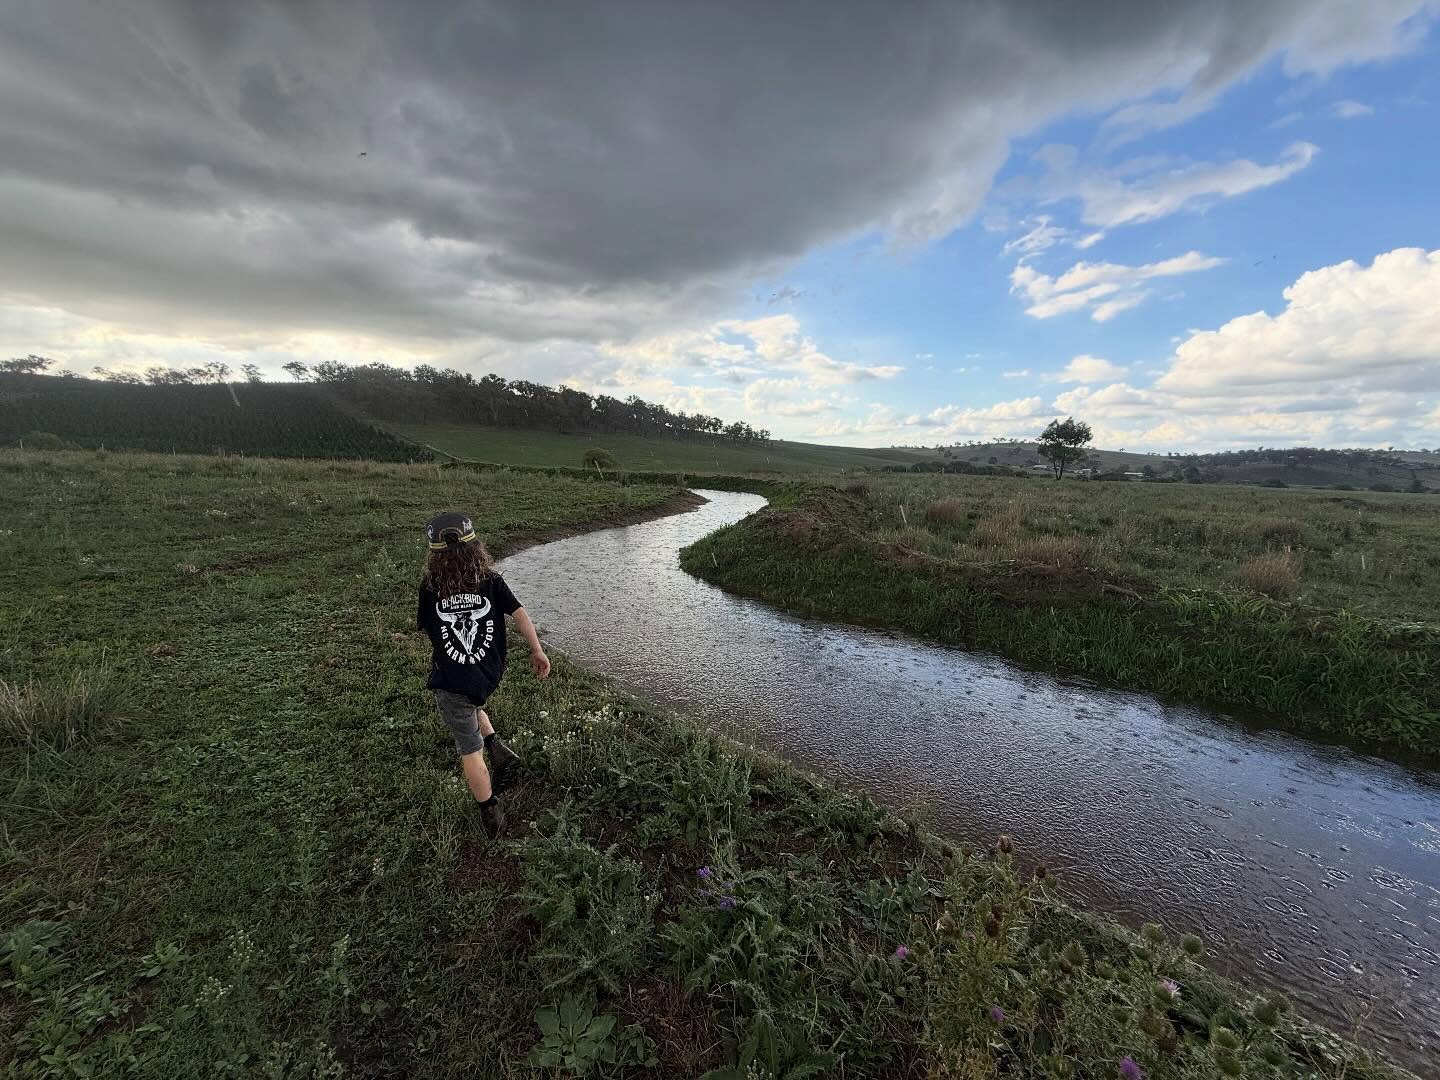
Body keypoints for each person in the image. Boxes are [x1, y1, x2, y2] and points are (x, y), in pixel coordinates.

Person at [417, 511, 550, 836]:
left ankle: (489, 808)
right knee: (471, 701)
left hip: (452, 680)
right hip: (488, 673)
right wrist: (537, 650)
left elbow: (427, 628)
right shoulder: (491, 581)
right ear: (475, 546)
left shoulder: (430, 587)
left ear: (434, 554)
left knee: (468, 750)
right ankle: (499, 748)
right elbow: (520, 613)